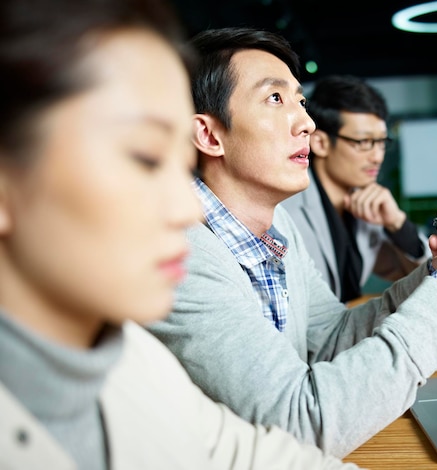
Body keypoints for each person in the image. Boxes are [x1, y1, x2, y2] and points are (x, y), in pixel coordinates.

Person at [0, 1, 361, 468]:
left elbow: (252, 454)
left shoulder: (132, 364)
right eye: (145, 158)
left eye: (178, 165)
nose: (188, 207)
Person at [148, 26, 437, 458]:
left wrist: (435, 278)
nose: (306, 123)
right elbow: (300, 425)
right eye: (275, 99)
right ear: (209, 135)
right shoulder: (179, 255)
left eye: (300, 102)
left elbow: (329, 336)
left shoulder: (278, 226)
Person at [281, 75, 430, 303]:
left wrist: (397, 223)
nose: (377, 156)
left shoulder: (364, 206)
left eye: (381, 142)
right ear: (319, 143)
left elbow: (419, 276)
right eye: (363, 142)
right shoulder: (284, 210)